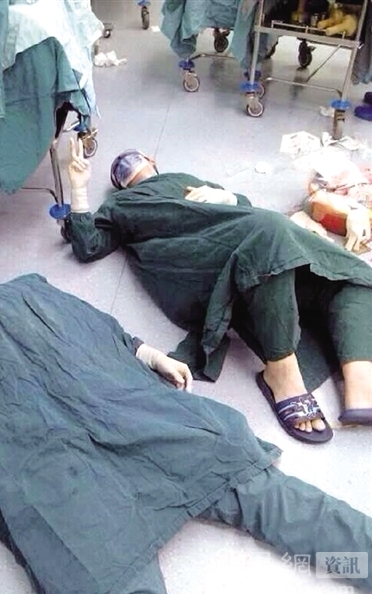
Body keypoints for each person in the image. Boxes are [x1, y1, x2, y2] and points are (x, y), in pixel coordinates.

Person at [0, 249, 372, 594]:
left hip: (52, 461)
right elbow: (101, 326)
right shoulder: (19, 293)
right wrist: (149, 354)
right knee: (270, 500)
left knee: (103, 569)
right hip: (130, 418)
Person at [65, 139, 372, 443]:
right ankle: (281, 371)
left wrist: (227, 197)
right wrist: (78, 190)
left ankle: (361, 381)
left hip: (253, 241)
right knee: (271, 229)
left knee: (349, 275)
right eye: (120, 170)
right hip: (204, 260)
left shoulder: (185, 179)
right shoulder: (121, 204)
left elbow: (244, 208)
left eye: (132, 158)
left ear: (151, 159)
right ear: (120, 186)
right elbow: (89, 245)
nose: (127, 166)